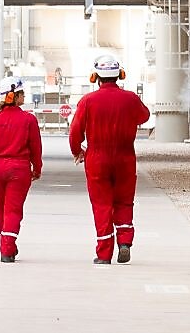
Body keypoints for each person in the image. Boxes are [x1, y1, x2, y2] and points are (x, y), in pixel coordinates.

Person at [68, 54, 150, 265]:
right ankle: (125, 241)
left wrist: (77, 151)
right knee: (124, 200)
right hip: (125, 157)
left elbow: (75, 131)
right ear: (120, 75)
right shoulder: (130, 98)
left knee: (102, 204)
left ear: (95, 77)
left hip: (97, 157)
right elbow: (144, 116)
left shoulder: (87, 101)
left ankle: (104, 254)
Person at [0, 75, 43, 263]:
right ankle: (7, 248)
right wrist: (37, 169)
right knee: (13, 210)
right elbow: (36, 148)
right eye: (22, 93)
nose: (24, 96)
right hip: (18, 169)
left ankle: (8, 245)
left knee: (1, 209)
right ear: (13, 96)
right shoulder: (28, 119)